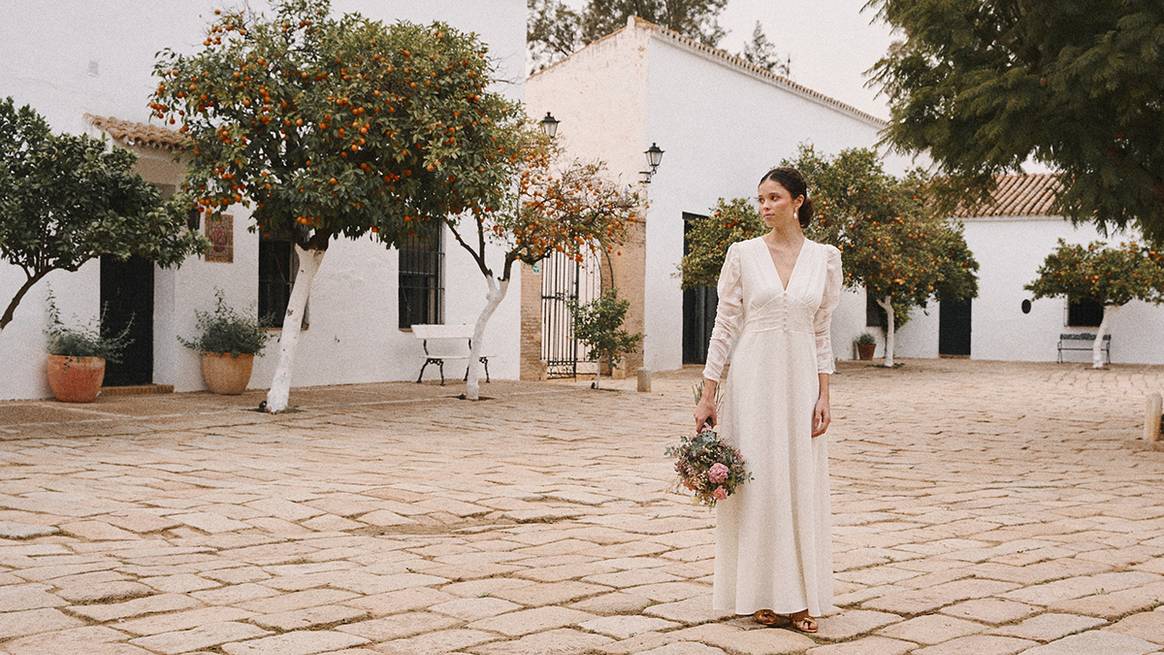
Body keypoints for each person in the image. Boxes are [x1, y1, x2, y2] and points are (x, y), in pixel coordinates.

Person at [694, 166, 842, 633]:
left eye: (774, 198)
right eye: (760, 199)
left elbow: (821, 332)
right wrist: (708, 393)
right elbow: (724, 327)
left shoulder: (825, 258)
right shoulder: (742, 254)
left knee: (798, 480)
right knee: (759, 483)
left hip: (800, 380)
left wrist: (824, 393)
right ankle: (760, 593)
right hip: (753, 378)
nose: (764, 207)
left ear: (798, 201)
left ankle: (799, 598)